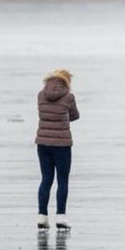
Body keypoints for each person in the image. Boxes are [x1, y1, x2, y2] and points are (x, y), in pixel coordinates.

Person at [35, 69, 80, 230]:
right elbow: (75, 116)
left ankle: (42, 216)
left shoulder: (41, 94)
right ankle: (61, 216)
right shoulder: (68, 96)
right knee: (62, 180)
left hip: (42, 143)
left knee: (46, 179)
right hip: (62, 145)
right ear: (67, 81)